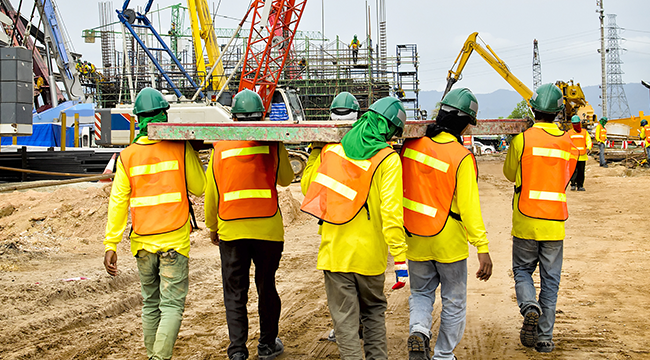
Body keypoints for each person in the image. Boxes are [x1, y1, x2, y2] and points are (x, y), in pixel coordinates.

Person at [300, 97, 408, 360]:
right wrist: (401, 260)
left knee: (345, 322)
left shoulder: (332, 151)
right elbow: (392, 213)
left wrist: (317, 149)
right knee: (373, 313)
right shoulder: (388, 159)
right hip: (370, 257)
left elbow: (308, 189)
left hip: (335, 253)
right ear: (390, 131)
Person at [103, 87, 206, 360]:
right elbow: (200, 187)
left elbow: (117, 203)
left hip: (143, 244)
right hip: (174, 241)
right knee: (171, 305)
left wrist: (111, 243)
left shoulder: (127, 156)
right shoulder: (178, 147)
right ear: (164, 116)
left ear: (137, 119)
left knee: (151, 305)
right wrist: (191, 153)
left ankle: (153, 355)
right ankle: (159, 358)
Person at [402, 88, 492, 360]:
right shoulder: (461, 156)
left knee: (420, 293)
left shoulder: (411, 146)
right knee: (453, 301)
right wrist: (482, 247)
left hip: (415, 237)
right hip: (449, 241)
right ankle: (443, 355)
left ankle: (419, 330)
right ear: (464, 123)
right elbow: (469, 208)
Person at [204, 89, 293, 360]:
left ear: (233, 116)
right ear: (261, 114)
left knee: (235, 293)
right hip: (268, 230)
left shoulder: (220, 146)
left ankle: (237, 351)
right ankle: (267, 345)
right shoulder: (272, 141)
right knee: (267, 286)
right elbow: (287, 179)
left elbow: (212, 192)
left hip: (231, 229)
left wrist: (212, 226)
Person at [503, 83, 578, 353]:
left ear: (532, 110)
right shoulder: (569, 143)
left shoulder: (522, 140)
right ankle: (545, 338)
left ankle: (528, 306)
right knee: (551, 281)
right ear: (559, 112)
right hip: (554, 224)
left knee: (522, 271)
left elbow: (510, 174)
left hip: (524, 220)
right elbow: (567, 178)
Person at [568, 115, 592, 191]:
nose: (576, 125)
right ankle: (573, 184)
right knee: (573, 171)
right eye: (574, 123)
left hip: (582, 155)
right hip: (573, 156)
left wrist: (588, 148)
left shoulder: (584, 132)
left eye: (577, 123)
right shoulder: (569, 133)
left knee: (581, 172)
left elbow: (589, 141)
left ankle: (580, 185)